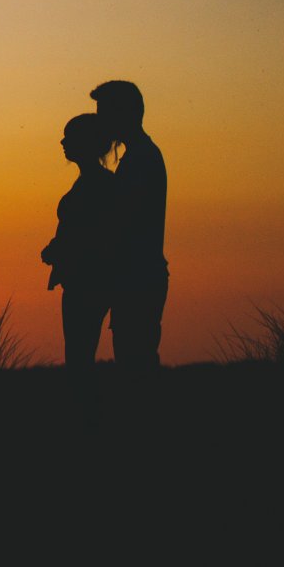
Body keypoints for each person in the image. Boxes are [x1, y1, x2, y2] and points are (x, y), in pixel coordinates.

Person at [92, 79, 168, 370]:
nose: (100, 121)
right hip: (137, 277)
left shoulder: (142, 158)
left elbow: (123, 220)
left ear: (121, 113)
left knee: (135, 363)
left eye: (104, 113)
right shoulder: (138, 156)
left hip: (139, 279)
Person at [42, 113, 118, 372]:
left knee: (79, 357)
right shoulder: (91, 183)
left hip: (88, 283)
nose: (63, 142)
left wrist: (61, 250)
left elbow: (95, 235)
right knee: (78, 355)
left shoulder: (100, 184)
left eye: (70, 137)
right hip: (79, 281)